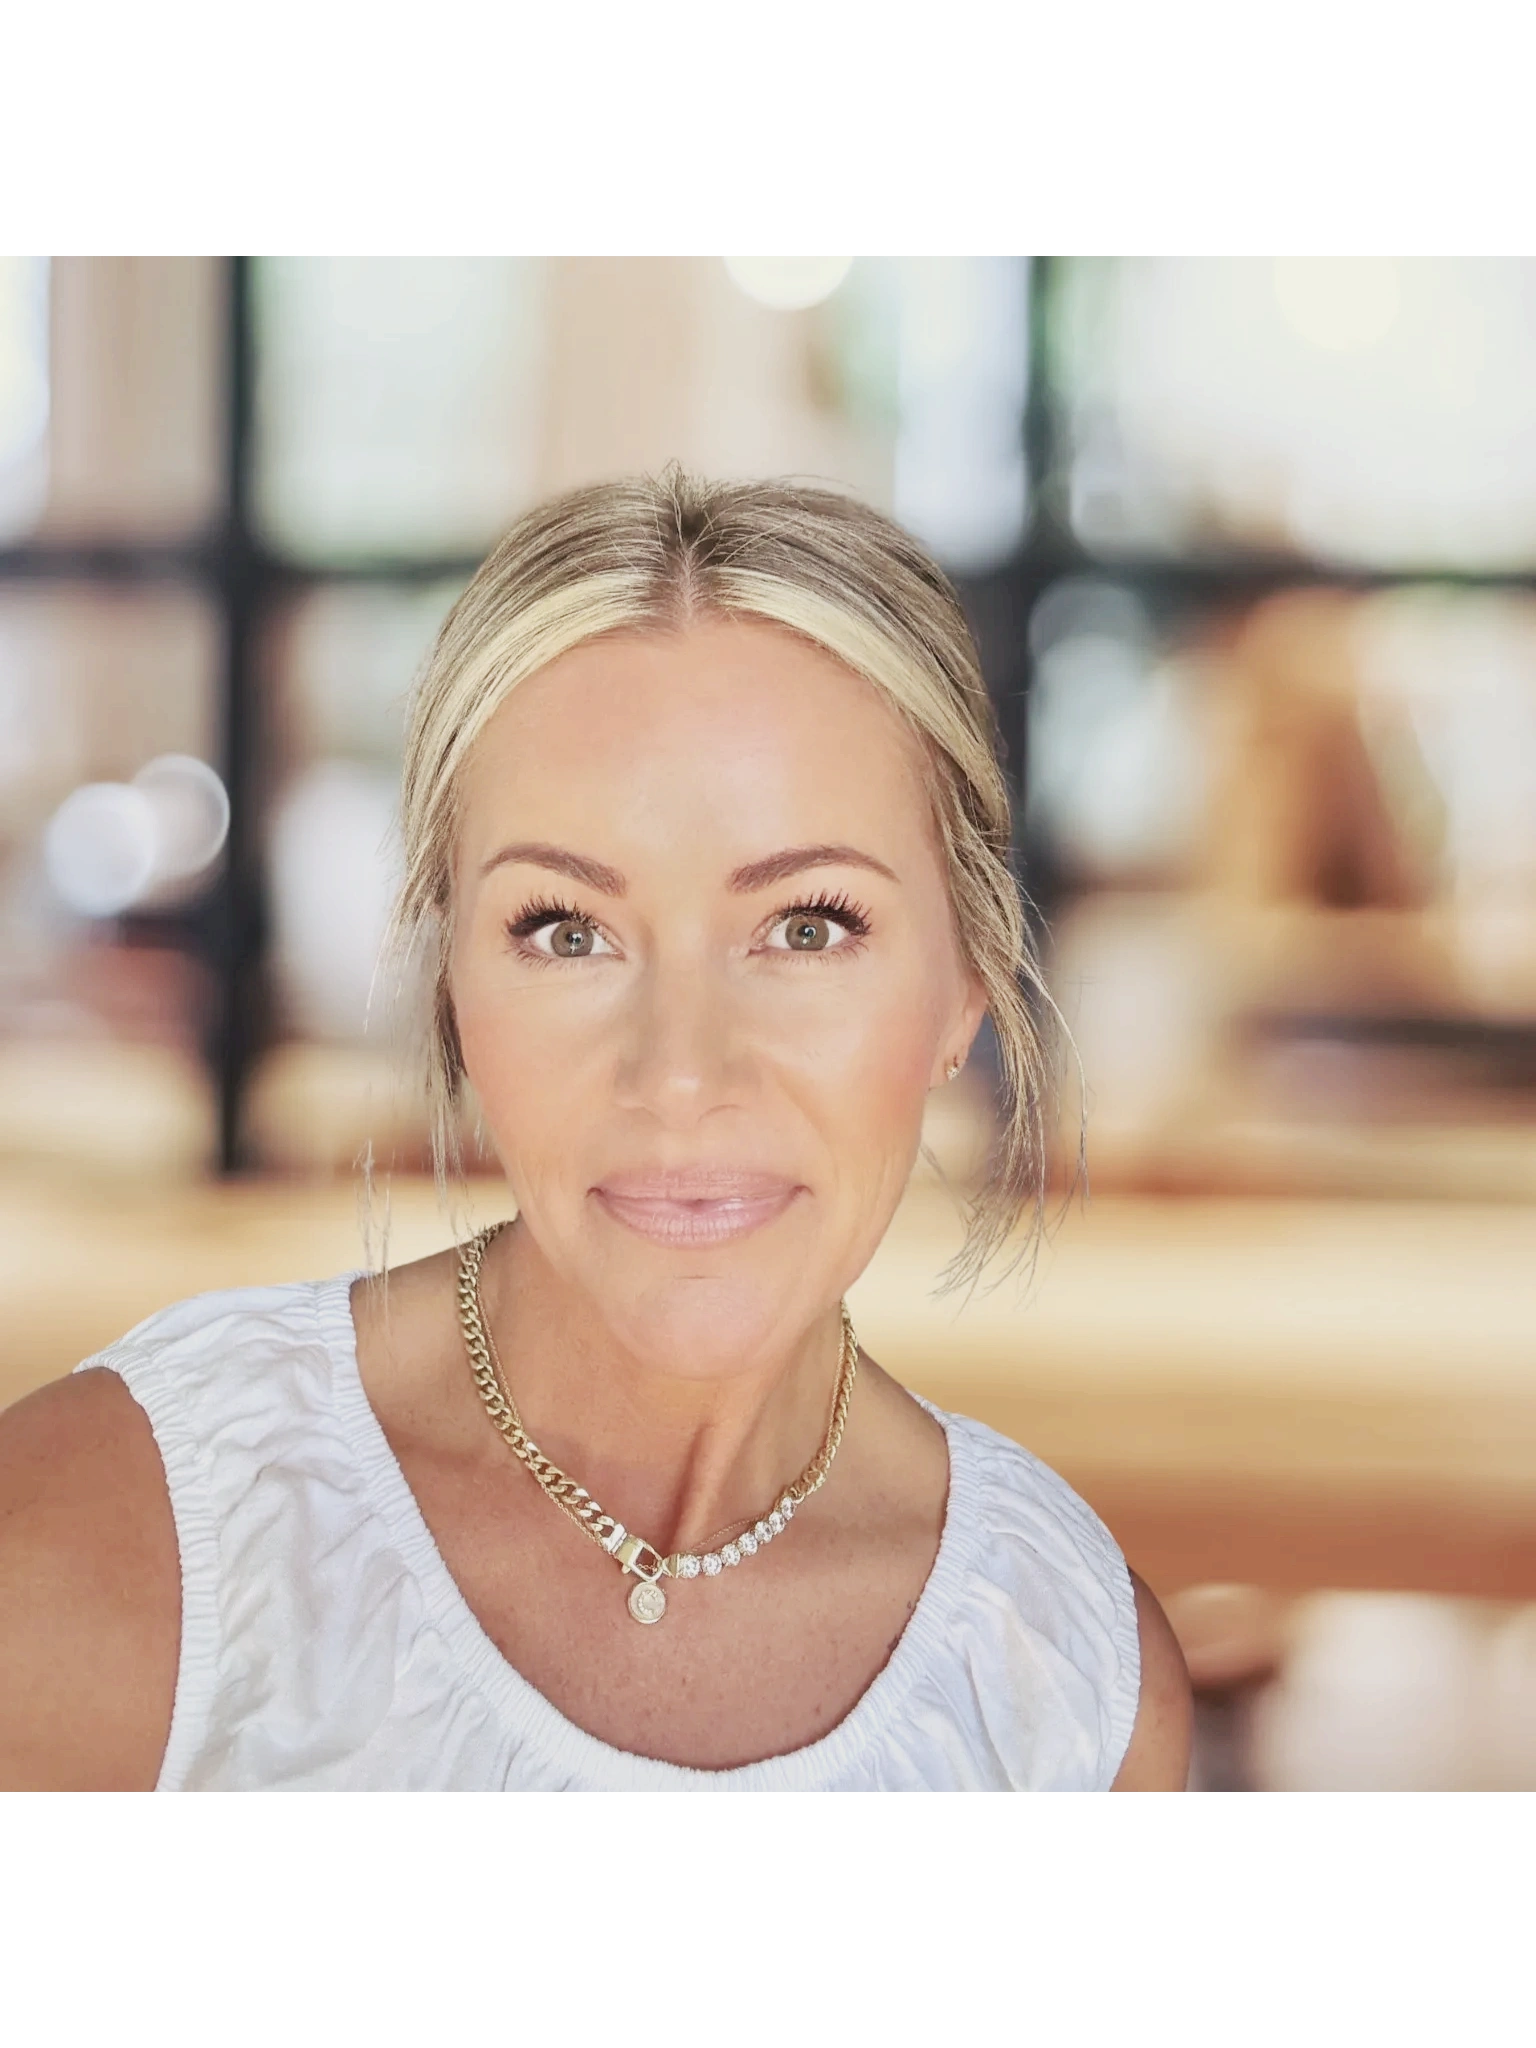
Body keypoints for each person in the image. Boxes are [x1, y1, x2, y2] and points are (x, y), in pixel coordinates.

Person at [0, 472, 1190, 1790]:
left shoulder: (1070, 1683)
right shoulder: (107, 1553)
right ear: (451, 981)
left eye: (808, 926)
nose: (682, 1073)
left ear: (966, 982)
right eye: (567, 930)